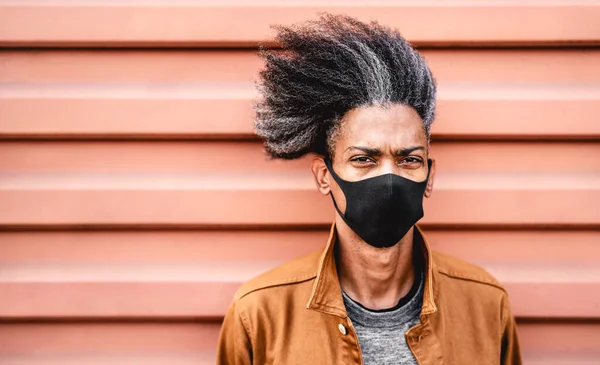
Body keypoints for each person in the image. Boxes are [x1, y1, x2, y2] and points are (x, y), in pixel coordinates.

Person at [216, 14, 522, 365]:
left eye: (409, 159)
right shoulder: (258, 314)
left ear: (430, 177)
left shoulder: (486, 304)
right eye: (364, 159)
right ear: (324, 176)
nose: (389, 178)